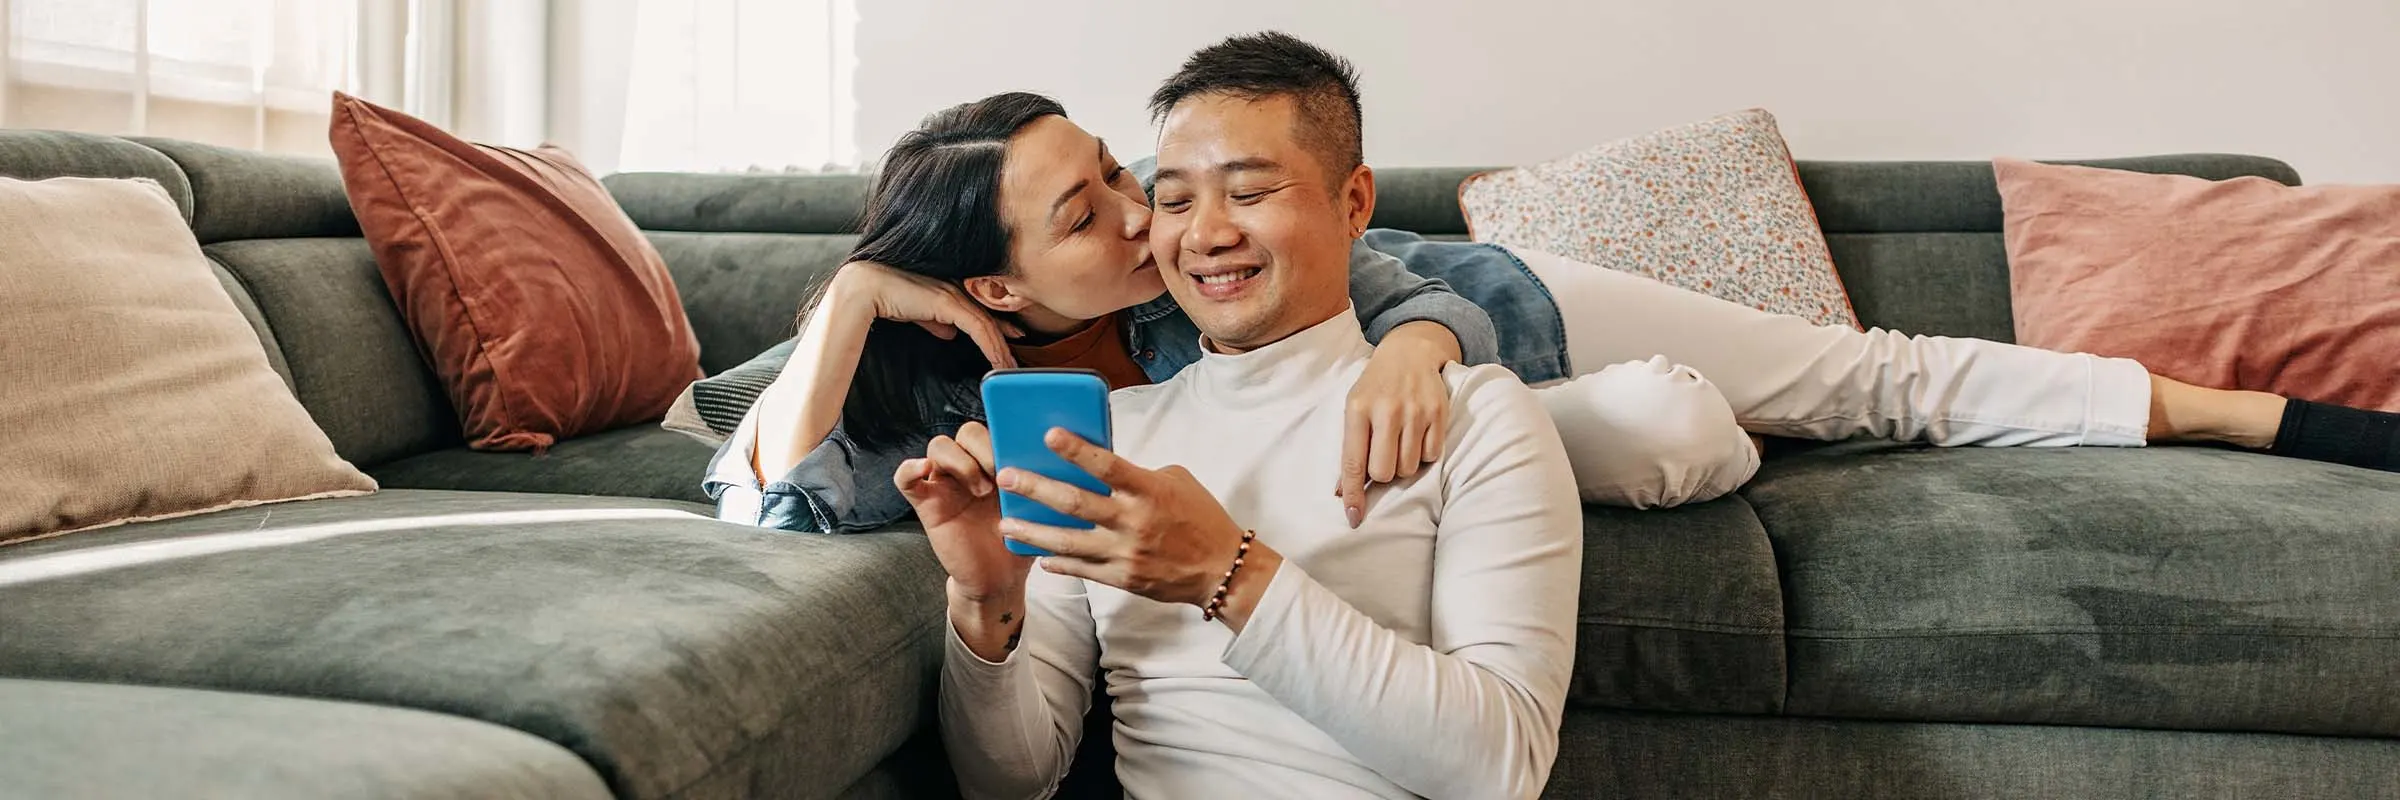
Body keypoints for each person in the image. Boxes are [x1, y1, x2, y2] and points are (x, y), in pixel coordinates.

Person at [708, 34, 2400, 534]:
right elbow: (763, 494)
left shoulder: (1201, 273)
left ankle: (2257, 415)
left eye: (1126, 177)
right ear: (990, 294)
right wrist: (851, 301)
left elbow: (1375, 273)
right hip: (1522, 411)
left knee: (1869, 374)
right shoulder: (940, 383)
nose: (1157, 224)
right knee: (1667, 434)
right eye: (1096, 213)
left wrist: (1424, 344)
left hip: (1516, 309)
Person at [905, 55, 1583, 796]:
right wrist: (987, 601)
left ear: (1354, 203)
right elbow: (1010, 783)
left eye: (1250, 191)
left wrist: (1226, 571)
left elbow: (1501, 768)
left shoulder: (1478, 414)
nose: (1207, 234)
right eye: (1174, 200)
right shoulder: (1107, 440)